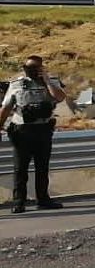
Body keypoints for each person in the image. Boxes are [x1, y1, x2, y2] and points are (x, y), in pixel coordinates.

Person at [0, 55, 65, 213]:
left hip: (43, 130)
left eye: (36, 67)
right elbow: (6, 107)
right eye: (29, 67)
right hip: (22, 131)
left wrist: (47, 80)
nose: (32, 71)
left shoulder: (51, 82)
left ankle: (43, 199)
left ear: (42, 67)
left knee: (42, 168)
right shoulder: (17, 85)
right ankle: (19, 202)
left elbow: (60, 97)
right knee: (20, 169)